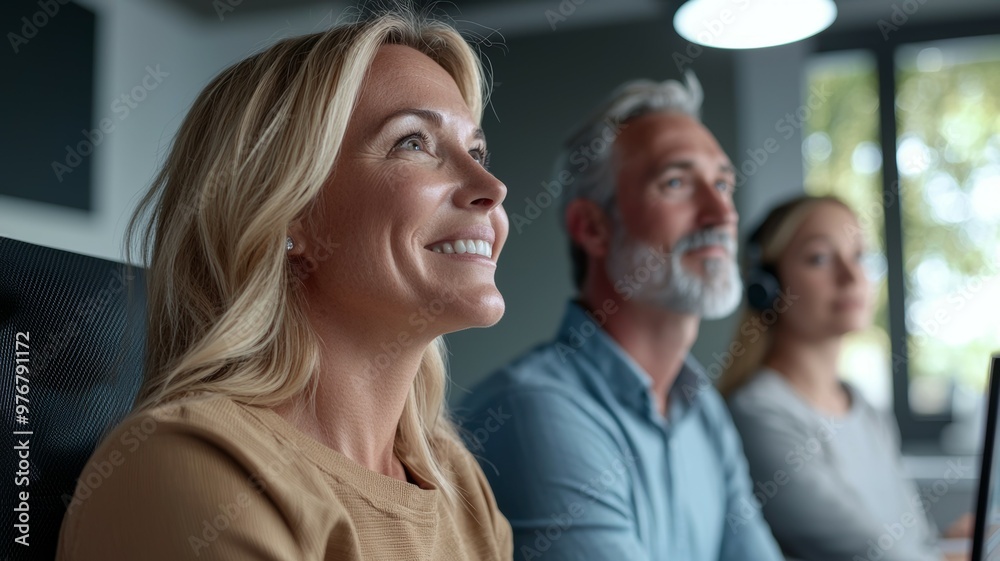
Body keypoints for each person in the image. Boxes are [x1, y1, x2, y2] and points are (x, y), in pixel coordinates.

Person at [56, 9, 513, 560]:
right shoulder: (192, 467)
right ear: (288, 214)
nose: (491, 186)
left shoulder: (457, 481)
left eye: (478, 151)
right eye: (413, 142)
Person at [458, 74, 784, 560]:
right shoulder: (535, 409)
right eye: (675, 182)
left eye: (722, 184)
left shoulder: (704, 412)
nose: (721, 214)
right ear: (592, 227)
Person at [719, 194, 971, 561]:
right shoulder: (759, 413)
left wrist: (951, 543)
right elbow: (871, 555)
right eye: (819, 258)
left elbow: (906, 542)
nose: (851, 276)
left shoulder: (862, 406)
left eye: (859, 256)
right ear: (767, 286)